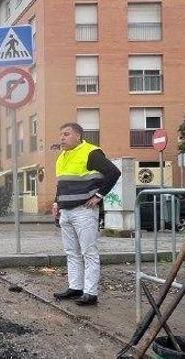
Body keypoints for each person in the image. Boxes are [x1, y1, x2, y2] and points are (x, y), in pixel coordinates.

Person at [51, 122, 120, 306]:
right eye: (61, 134)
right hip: (66, 211)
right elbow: (61, 184)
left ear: (78, 136)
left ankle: (90, 293)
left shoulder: (91, 152)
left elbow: (114, 172)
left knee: (88, 252)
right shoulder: (62, 157)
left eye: (66, 134)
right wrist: (57, 202)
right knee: (71, 252)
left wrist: (99, 195)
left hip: (84, 210)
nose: (62, 138)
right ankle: (75, 288)